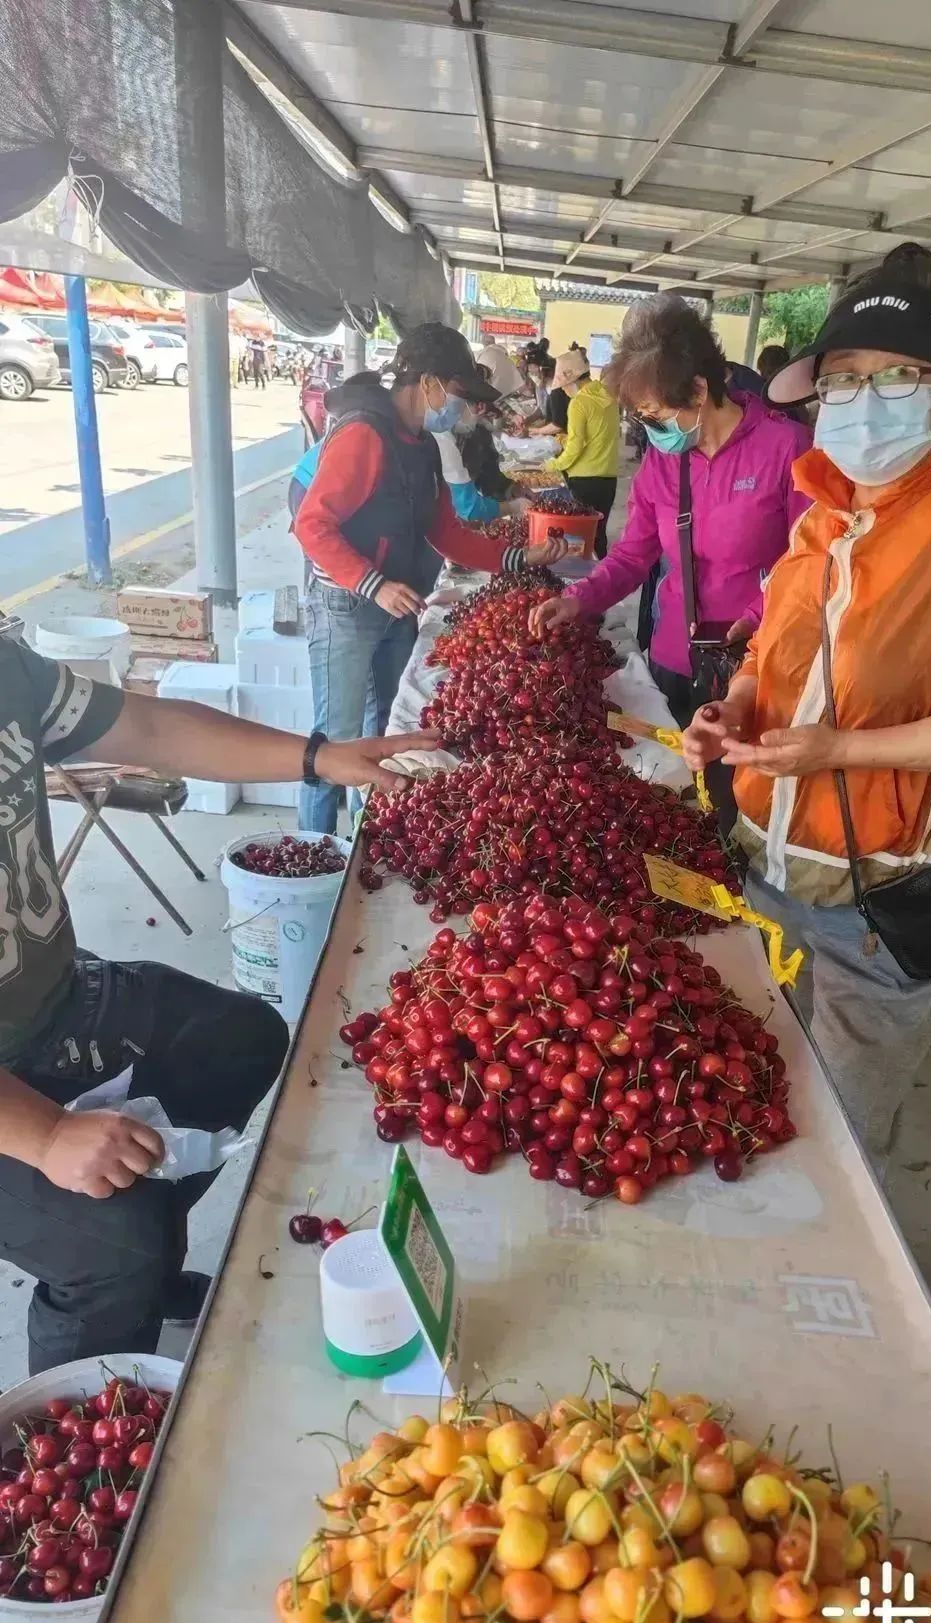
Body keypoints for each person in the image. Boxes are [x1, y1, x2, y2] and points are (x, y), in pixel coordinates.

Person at [0, 634, 435, 1372]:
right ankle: (81, 1439)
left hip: (56, 1004)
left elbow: (151, 729)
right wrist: (45, 1137)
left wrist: (318, 757)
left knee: (238, 1039)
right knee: (111, 1246)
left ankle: (148, 1269)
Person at [682, 241, 931, 1171]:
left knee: (838, 1148)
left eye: (894, 375)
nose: (862, 400)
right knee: (754, 1092)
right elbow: (770, 652)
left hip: (883, 898)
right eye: (843, 379)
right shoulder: (820, 517)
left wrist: (838, 751)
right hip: (769, 866)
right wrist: (736, 705)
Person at [293, 322, 565, 833]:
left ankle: (364, 835)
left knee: (384, 734)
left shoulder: (421, 443)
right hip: (349, 607)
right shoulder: (364, 436)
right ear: (431, 383)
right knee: (334, 743)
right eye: (460, 394)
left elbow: (446, 532)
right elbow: (311, 525)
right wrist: (372, 583)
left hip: (400, 603)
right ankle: (315, 857)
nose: (462, 407)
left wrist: (518, 559)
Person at [531, 295, 812, 723]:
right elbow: (632, 555)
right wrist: (577, 599)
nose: (651, 429)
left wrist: (757, 616)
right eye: (643, 418)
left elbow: (812, 563)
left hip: (754, 667)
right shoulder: (663, 461)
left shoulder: (786, 448)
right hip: (672, 658)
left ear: (699, 390)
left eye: (656, 415)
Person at [543, 349, 621, 559]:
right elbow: (599, 436)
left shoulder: (579, 402)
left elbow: (576, 448)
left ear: (570, 380)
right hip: (608, 479)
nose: (565, 391)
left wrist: (553, 464)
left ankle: (583, 585)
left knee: (579, 539)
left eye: (564, 386)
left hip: (584, 481)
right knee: (598, 535)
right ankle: (603, 579)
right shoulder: (609, 397)